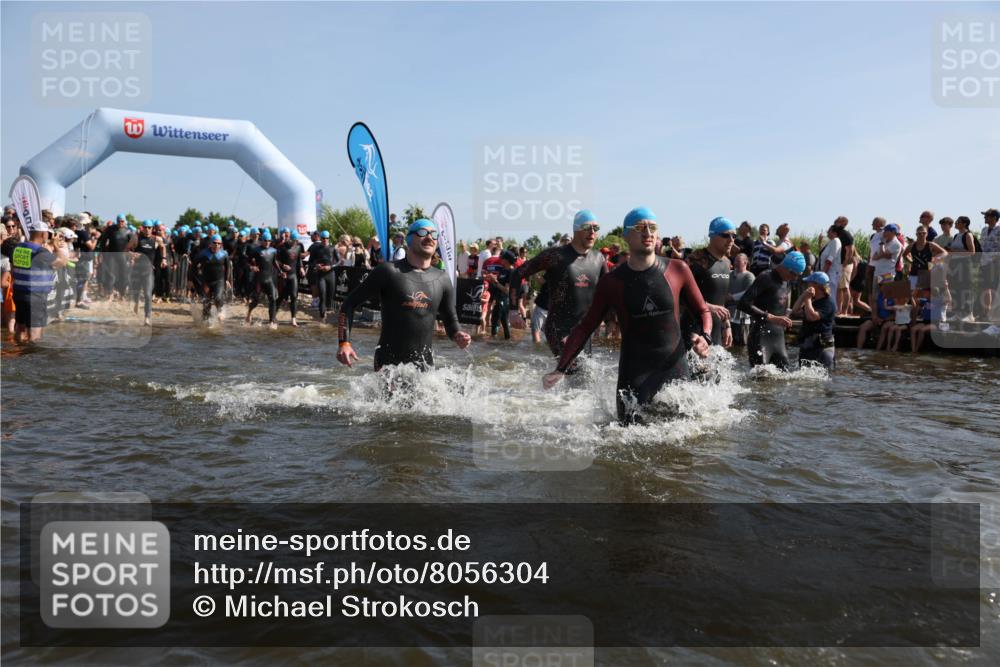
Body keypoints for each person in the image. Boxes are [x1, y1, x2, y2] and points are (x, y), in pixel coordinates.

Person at [542, 207, 711, 425]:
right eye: (640, 227)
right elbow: (586, 327)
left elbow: (703, 310)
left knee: (684, 445)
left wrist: (705, 337)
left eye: (653, 227)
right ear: (625, 236)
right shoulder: (612, 282)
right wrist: (560, 369)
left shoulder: (678, 269)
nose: (648, 233)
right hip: (635, 375)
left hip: (675, 369)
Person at [337, 219, 471, 371]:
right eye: (422, 232)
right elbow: (349, 304)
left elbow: (450, 319)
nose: (429, 238)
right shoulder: (389, 271)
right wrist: (344, 343)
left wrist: (458, 334)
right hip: (389, 365)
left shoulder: (442, 278)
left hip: (425, 367)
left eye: (434, 235)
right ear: (409, 239)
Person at [508, 210, 609, 364]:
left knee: (584, 379)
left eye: (596, 228)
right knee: (574, 369)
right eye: (587, 227)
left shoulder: (598, 259)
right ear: (576, 229)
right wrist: (514, 310)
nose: (592, 232)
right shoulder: (556, 256)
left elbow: (608, 291)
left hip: (583, 330)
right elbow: (517, 273)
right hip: (558, 328)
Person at [738, 251, 806, 370]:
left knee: (785, 380)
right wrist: (771, 317)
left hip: (778, 339)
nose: (795, 278)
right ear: (785, 267)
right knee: (760, 380)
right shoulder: (766, 277)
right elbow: (743, 303)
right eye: (794, 274)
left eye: (798, 275)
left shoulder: (786, 281)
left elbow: (778, 305)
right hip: (760, 337)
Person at [11, 222, 68, 343]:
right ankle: (32, 359)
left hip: (19, 293)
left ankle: (18, 353)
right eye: (48, 233)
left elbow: (13, 268)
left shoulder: (18, 247)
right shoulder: (41, 252)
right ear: (43, 234)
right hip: (35, 296)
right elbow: (62, 262)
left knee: (20, 327)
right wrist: (57, 246)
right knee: (35, 335)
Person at [684, 216, 736, 346]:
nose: (731, 240)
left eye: (733, 236)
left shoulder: (726, 262)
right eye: (726, 235)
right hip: (694, 330)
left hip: (716, 332)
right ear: (712, 236)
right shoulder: (695, 260)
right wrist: (709, 307)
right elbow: (679, 295)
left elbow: (721, 300)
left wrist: (727, 325)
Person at [791, 271, 836, 370]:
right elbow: (795, 311)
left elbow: (812, 317)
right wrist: (803, 296)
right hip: (808, 346)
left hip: (822, 349)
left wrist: (807, 299)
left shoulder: (828, 303)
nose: (807, 285)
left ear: (816, 285)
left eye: (809, 282)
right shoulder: (813, 301)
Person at [127, 220, 165, 326]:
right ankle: (136, 304)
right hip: (136, 271)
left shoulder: (156, 239)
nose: (147, 229)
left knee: (148, 295)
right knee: (136, 293)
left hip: (148, 271)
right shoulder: (136, 238)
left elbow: (163, 247)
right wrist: (132, 254)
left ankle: (147, 317)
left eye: (149, 227)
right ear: (142, 228)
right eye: (145, 227)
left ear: (152, 228)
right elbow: (126, 249)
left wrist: (164, 259)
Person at [191, 234, 231, 322]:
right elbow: (193, 267)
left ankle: (220, 311)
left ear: (221, 244)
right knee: (206, 302)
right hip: (206, 281)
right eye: (215, 243)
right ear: (210, 243)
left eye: (219, 243)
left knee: (217, 298)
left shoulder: (224, 254)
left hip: (219, 280)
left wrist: (227, 279)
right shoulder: (203, 253)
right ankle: (206, 320)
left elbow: (227, 267)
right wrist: (191, 280)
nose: (216, 245)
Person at [246, 230, 279, 328]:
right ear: (262, 240)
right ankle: (249, 312)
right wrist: (252, 267)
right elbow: (247, 262)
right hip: (259, 280)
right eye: (266, 240)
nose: (268, 242)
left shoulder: (273, 250)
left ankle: (272, 321)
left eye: (269, 240)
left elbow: (275, 262)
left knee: (273, 298)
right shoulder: (256, 250)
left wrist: (281, 271)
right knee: (256, 301)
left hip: (269, 279)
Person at [482, 249, 516, 339]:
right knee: (495, 320)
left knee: (502, 321)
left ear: (507, 260)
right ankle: (496, 342)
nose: (501, 259)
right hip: (498, 299)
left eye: (503, 258)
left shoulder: (511, 272)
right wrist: (490, 278)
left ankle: (500, 342)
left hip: (504, 300)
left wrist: (495, 282)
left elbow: (507, 290)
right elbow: (497, 284)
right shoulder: (503, 270)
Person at [276, 228, 305, 326]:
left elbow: (298, 259)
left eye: (296, 241)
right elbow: (276, 261)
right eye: (293, 240)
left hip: (293, 276)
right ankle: (273, 315)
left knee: (294, 296)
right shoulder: (282, 247)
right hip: (284, 276)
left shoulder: (298, 247)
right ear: (289, 239)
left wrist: (301, 267)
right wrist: (283, 265)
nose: (294, 242)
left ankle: (293, 319)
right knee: (280, 297)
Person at [903, 225, 948, 290]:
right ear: (916, 234)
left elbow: (945, 252)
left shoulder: (930, 244)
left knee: (928, 293)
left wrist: (936, 259)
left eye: (924, 233)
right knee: (912, 293)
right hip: (914, 272)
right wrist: (911, 261)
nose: (921, 235)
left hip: (927, 272)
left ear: (926, 234)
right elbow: (904, 254)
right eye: (919, 233)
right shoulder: (912, 245)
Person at [308, 230, 336, 323]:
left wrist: (330, 266)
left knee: (330, 296)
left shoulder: (333, 248)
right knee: (322, 294)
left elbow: (339, 262)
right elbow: (310, 262)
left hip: (330, 274)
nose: (325, 240)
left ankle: (327, 310)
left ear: (329, 238)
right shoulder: (316, 248)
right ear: (320, 238)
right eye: (323, 238)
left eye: (327, 238)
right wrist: (316, 266)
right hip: (320, 275)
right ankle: (322, 317)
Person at [728, 253, 755, 345]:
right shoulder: (730, 274)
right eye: (735, 260)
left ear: (745, 262)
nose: (735, 263)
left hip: (742, 315)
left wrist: (732, 297)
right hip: (729, 313)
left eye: (738, 261)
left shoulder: (749, 276)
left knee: (742, 344)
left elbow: (749, 293)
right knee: (729, 343)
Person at [979, 208, 999, 324]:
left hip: (995, 263)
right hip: (984, 262)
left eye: (987, 216)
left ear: (994, 218)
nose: (985, 218)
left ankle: (993, 314)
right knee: (985, 288)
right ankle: (986, 312)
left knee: (994, 288)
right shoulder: (983, 230)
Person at [833, 216, 856, 315]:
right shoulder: (838, 234)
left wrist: (845, 264)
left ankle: (844, 311)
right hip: (840, 264)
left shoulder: (846, 235)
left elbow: (850, 251)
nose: (835, 222)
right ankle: (839, 310)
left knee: (845, 288)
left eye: (838, 221)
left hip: (845, 264)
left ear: (843, 223)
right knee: (839, 288)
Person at [819, 226, 842, 310]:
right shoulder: (831, 242)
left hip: (831, 273)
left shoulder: (836, 241)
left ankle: (831, 312)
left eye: (829, 231)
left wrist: (823, 273)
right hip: (828, 272)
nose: (827, 233)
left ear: (834, 233)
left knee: (831, 293)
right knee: (828, 292)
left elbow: (830, 258)